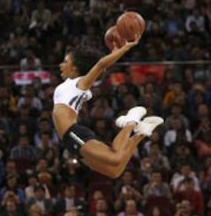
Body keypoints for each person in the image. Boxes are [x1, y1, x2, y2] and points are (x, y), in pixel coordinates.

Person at [52, 37, 164, 178]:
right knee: (114, 172)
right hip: (69, 141)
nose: (61, 65)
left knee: (115, 158)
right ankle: (140, 133)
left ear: (74, 67)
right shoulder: (71, 84)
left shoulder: (79, 83)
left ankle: (130, 121)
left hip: (73, 133)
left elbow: (100, 65)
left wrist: (124, 48)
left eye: (65, 62)